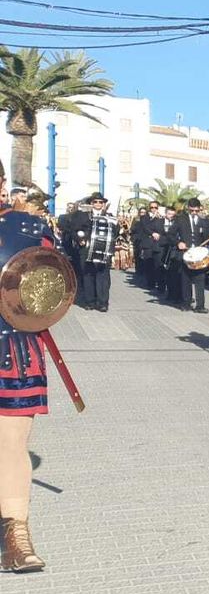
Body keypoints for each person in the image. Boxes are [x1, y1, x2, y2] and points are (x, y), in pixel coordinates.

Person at [0, 159, 64, 572]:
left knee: (9, 444)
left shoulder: (26, 229)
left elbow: (52, 288)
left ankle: (16, 535)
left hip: (12, 348)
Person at [172, 198, 209, 313]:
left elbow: (208, 234)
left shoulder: (204, 220)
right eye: (192, 211)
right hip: (185, 253)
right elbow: (170, 234)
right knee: (186, 279)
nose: (194, 213)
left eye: (196, 211)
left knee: (200, 279)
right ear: (188, 208)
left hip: (199, 254)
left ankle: (200, 306)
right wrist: (178, 242)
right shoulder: (180, 219)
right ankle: (186, 303)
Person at [76, 193, 117, 313]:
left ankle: (103, 303)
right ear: (91, 203)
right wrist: (80, 240)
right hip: (87, 249)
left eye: (100, 202)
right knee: (88, 275)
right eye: (95, 202)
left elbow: (115, 232)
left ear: (104, 204)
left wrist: (115, 224)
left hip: (104, 250)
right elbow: (75, 229)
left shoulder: (109, 216)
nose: (98, 204)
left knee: (103, 276)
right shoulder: (84, 216)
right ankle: (89, 302)